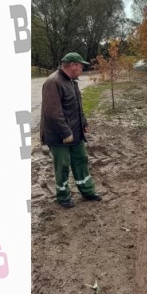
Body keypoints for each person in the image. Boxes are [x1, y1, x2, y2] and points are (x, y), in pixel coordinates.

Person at [39, 52, 102, 208]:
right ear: (72, 65)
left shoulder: (72, 81)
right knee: (63, 165)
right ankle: (63, 195)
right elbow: (53, 112)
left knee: (81, 160)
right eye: (80, 65)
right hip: (59, 135)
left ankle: (87, 191)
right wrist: (65, 132)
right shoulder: (53, 82)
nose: (82, 68)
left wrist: (84, 122)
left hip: (75, 132)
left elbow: (77, 106)